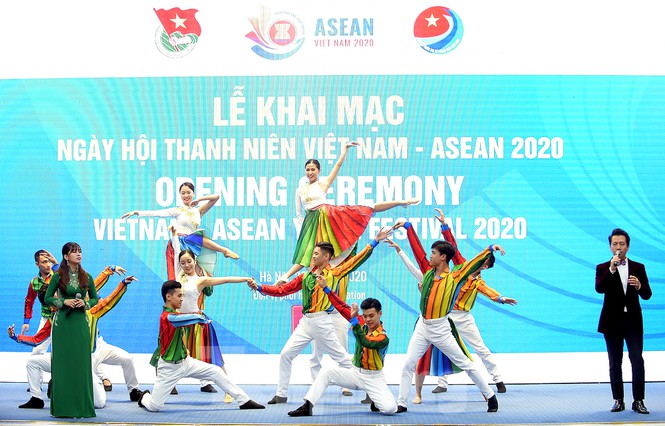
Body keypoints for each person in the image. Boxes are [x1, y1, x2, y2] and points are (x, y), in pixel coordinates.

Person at [249, 227, 391, 404]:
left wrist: (375, 242)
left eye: (316, 254)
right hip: (305, 323)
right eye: (313, 253)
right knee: (286, 354)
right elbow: (282, 290)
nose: (313, 256)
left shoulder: (334, 273)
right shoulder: (305, 276)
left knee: (344, 359)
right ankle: (281, 394)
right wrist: (260, 287)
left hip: (322, 322)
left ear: (326, 256)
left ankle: (371, 389)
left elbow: (357, 260)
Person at [393, 210, 517, 402]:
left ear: (484, 266)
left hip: (459, 319)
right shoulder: (448, 266)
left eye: (483, 262)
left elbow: (487, 290)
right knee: (425, 356)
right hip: (439, 318)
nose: (430, 256)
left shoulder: (466, 279)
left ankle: (495, 382)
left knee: (475, 351)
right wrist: (442, 226)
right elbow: (451, 248)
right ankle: (431, 388)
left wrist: (500, 298)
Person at [13, 266, 141, 409]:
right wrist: (15, 337)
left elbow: (102, 297)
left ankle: (134, 391)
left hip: (97, 347)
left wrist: (117, 279)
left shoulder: (84, 308)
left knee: (127, 359)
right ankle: (39, 396)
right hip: (78, 359)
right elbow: (37, 339)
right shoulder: (54, 319)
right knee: (98, 403)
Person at [137, 280, 265, 412]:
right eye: (179, 295)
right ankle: (144, 397)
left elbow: (186, 320)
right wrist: (200, 318)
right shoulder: (167, 317)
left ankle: (244, 400)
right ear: (168, 297)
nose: (182, 299)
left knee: (216, 371)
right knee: (155, 406)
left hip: (186, 362)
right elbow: (186, 319)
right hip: (169, 368)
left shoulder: (176, 314)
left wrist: (199, 319)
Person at [160, 226, 250, 397]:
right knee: (168, 354)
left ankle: (230, 391)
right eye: (183, 262)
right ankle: (168, 384)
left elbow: (226, 280)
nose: (186, 265)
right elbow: (177, 250)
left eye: (189, 261)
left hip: (197, 323)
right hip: (179, 323)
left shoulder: (201, 280)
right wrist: (173, 234)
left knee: (212, 357)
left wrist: (245, 279)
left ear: (195, 260)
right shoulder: (178, 275)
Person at [288, 279, 396, 417]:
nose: (368, 320)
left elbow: (365, 342)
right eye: (365, 316)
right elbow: (342, 307)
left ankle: (376, 400)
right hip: (356, 374)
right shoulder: (362, 323)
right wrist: (327, 289)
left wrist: (354, 321)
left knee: (390, 409)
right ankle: (307, 406)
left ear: (380, 314)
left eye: (371, 316)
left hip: (374, 378)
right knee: (326, 373)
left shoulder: (383, 337)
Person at [121, 181, 239, 280]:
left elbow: (216, 197)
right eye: (183, 193)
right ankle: (224, 250)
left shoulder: (199, 211)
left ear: (193, 193)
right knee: (195, 241)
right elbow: (158, 213)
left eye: (188, 192)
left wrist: (199, 200)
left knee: (197, 275)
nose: (186, 195)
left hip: (192, 246)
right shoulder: (178, 210)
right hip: (179, 243)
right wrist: (137, 212)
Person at [596, 228, 651, 415]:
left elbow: (647, 294)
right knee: (615, 361)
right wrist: (611, 269)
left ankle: (639, 400)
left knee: (637, 359)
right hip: (612, 322)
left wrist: (640, 286)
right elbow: (599, 288)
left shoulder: (638, 267)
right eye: (615, 244)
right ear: (610, 247)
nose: (618, 247)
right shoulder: (603, 268)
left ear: (627, 246)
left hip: (633, 321)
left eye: (621, 244)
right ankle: (618, 400)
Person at [44, 242, 99, 418]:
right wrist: (63, 302)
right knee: (63, 365)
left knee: (81, 365)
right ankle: (63, 408)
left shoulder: (87, 277)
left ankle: (82, 408)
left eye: (80, 251)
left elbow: (95, 299)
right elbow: (47, 298)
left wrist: (86, 303)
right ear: (66, 256)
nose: (79, 254)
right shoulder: (57, 276)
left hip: (80, 324)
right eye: (74, 252)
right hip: (62, 325)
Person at [19, 250, 59, 395]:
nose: (47, 265)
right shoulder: (34, 282)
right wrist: (26, 320)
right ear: (37, 264)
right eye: (44, 262)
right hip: (46, 318)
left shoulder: (57, 275)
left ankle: (57, 382)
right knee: (36, 352)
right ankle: (36, 384)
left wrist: (56, 263)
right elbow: (29, 300)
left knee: (59, 352)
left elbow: (69, 276)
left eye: (49, 261)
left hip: (61, 317)